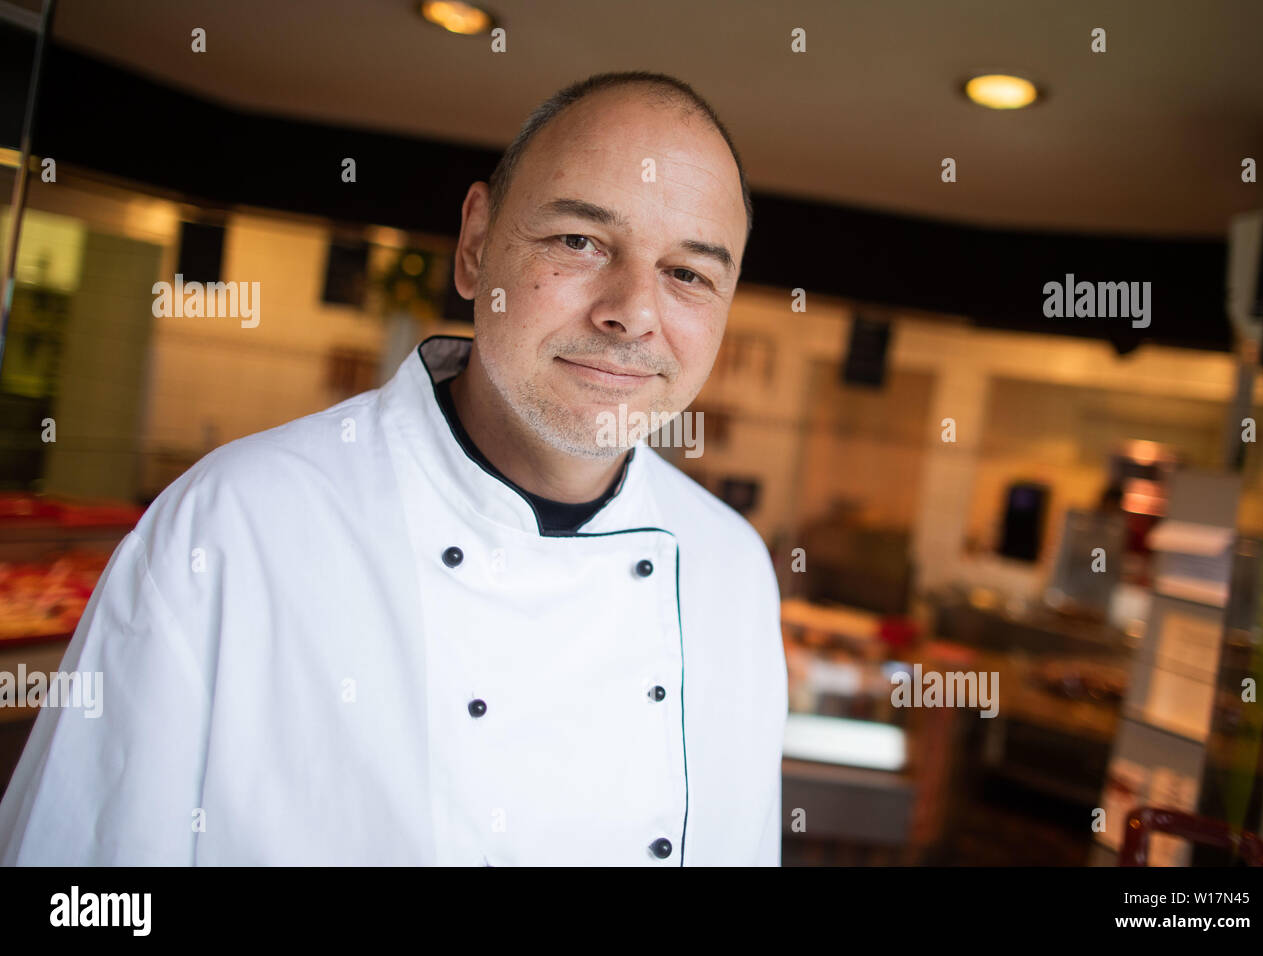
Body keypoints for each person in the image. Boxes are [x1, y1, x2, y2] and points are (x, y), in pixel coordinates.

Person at [0, 72, 788, 865]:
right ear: (477, 246)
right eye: (579, 241)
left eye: (688, 272)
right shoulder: (236, 524)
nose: (633, 311)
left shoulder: (733, 570)